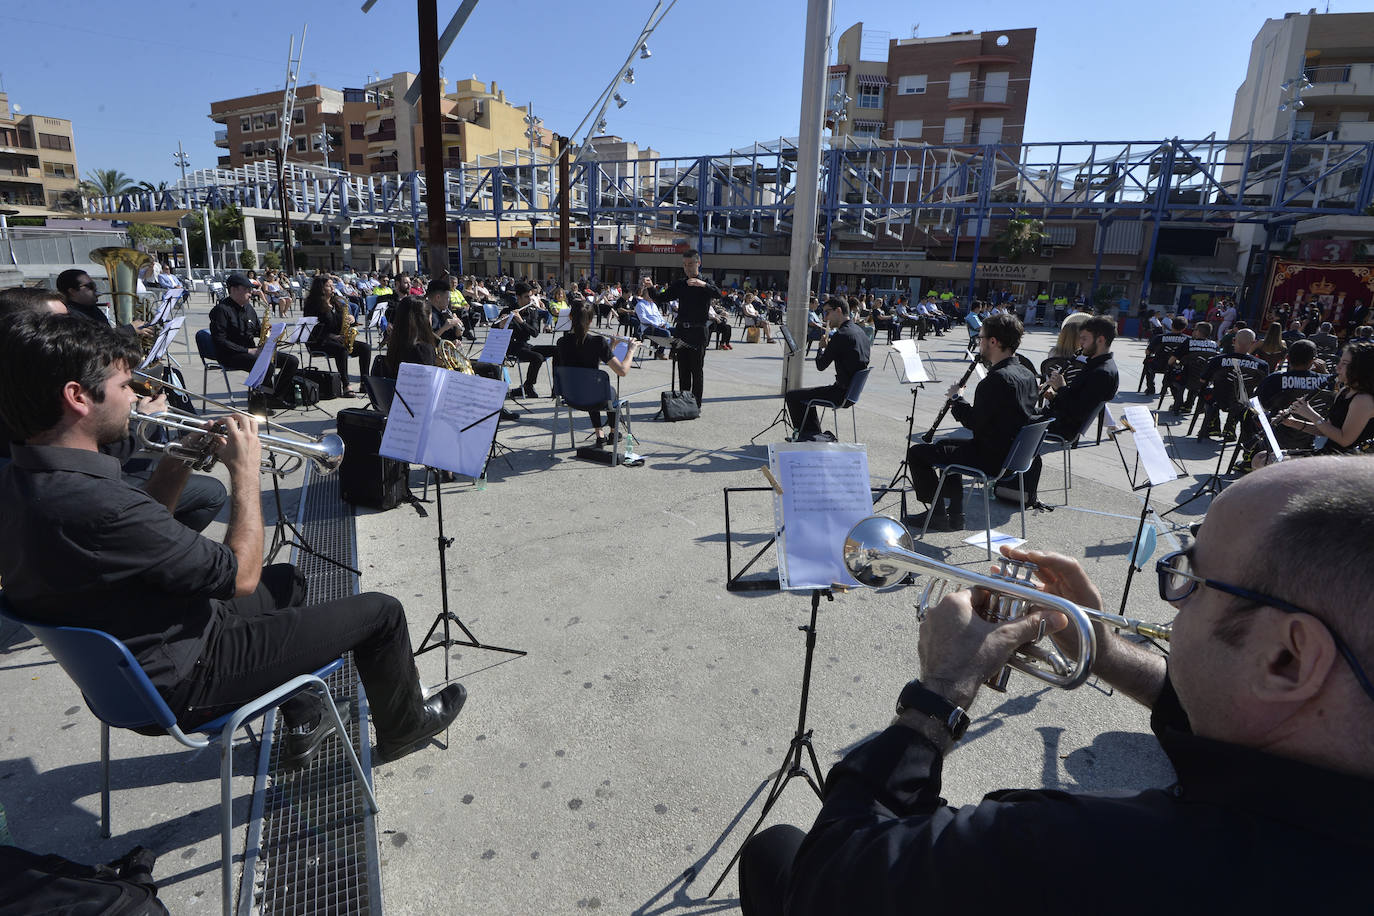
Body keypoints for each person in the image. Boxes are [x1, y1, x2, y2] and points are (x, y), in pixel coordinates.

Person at [739, 455, 1374, 916]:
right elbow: (1226, 707)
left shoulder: (1080, 849)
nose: (1173, 600)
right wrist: (1095, 646)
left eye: (1192, 579)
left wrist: (938, 693)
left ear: (1288, 658)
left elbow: (833, 878)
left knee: (778, 854)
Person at [0, 312, 467, 768]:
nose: (136, 397)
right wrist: (245, 475)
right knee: (382, 612)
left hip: (132, 668)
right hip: (188, 674)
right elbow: (240, 575)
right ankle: (406, 726)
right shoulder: (102, 504)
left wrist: (179, 459)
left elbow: (143, 530)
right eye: (125, 387)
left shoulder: (23, 482)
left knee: (286, 583)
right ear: (78, 397)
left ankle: (305, 716)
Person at [905, 313, 1037, 532]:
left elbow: (975, 424)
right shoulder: (1027, 373)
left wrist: (957, 400)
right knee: (943, 446)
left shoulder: (995, 380)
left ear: (993, 341)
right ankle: (955, 515)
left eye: (981, 337)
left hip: (991, 459)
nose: (979, 342)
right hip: (1013, 455)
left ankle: (937, 514)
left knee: (917, 453)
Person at [1252, 341, 1374, 467]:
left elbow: (1344, 440)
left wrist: (1310, 414)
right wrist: (1294, 422)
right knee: (1260, 458)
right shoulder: (1345, 391)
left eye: (1344, 364)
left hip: (1347, 462)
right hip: (1329, 454)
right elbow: (1327, 429)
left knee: (1268, 463)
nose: (1338, 368)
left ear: (1361, 369)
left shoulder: (1363, 400)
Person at [782, 297, 870, 442]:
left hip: (840, 393)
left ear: (839, 311)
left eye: (827, 313)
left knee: (793, 396)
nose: (825, 318)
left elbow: (821, 366)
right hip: (852, 393)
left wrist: (822, 348)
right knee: (806, 395)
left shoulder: (840, 336)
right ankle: (813, 434)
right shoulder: (860, 332)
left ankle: (808, 436)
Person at [554, 297, 637, 446]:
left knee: (590, 383)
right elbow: (622, 371)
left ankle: (600, 434)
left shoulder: (561, 342)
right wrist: (630, 350)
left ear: (570, 317)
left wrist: (610, 348)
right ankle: (613, 432)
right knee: (604, 390)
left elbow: (586, 363)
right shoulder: (598, 342)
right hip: (592, 396)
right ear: (591, 321)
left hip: (571, 396)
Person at [209, 273, 299, 407]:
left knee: (291, 361)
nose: (251, 293)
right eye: (246, 289)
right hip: (230, 354)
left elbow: (256, 330)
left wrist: (270, 332)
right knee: (266, 366)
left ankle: (275, 397)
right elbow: (220, 341)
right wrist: (248, 350)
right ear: (234, 290)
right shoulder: (221, 310)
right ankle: (259, 402)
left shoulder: (248, 308)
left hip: (252, 351)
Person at [651, 249, 723, 409]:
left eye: (690, 264)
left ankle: (695, 405)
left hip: (698, 332)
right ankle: (684, 403)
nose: (687, 268)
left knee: (697, 370)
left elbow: (719, 294)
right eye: (685, 265)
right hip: (682, 331)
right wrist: (650, 288)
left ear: (698, 263)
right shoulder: (680, 284)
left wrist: (702, 284)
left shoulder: (706, 282)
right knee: (683, 369)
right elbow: (661, 297)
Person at [303, 276, 372, 397]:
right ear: (321, 289)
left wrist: (352, 319)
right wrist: (331, 336)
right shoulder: (312, 305)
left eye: (332, 285)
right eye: (329, 286)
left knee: (365, 348)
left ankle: (364, 383)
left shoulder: (336, 303)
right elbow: (311, 330)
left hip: (339, 339)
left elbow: (342, 322)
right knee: (341, 350)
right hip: (320, 341)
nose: (332, 287)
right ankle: (346, 385)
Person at [499, 281, 546, 399]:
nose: (530, 299)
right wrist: (502, 324)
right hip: (512, 347)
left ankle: (557, 389)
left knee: (557, 350)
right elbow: (496, 332)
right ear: (518, 297)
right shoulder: (507, 311)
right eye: (526, 297)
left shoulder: (532, 312)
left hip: (525, 346)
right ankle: (528, 386)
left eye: (531, 296)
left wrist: (521, 321)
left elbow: (535, 333)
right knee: (538, 357)